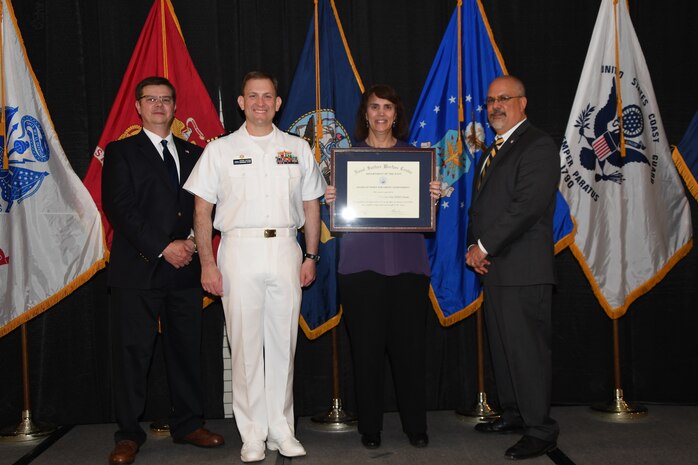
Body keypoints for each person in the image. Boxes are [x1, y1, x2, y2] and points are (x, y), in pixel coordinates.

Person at [183, 71, 325, 463]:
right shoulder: (219, 150)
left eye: (267, 96)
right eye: (252, 96)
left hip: (284, 247)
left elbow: (312, 204)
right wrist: (207, 265)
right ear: (241, 102)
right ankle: (252, 434)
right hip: (237, 249)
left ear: (278, 103)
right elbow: (202, 209)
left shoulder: (297, 148)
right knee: (244, 347)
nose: (260, 102)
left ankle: (282, 429)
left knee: (283, 345)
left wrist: (311, 255)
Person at [102, 76, 224, 465]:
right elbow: (120, 208)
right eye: (151, 99)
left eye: (166, 100)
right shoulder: (120, 152)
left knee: (186, 351)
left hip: (185, 267)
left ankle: (189, 424)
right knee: (133, 355)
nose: (158, 105)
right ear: (137, 107)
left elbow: (209, 206)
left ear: (175, 107)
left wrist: (189, 241)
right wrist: (162, 247)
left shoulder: (195, 153)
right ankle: (127, 433)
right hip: (138, 269)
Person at [325, 85, 441, 450]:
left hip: (409, 267)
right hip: (361, 269)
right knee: (366, 351)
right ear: (365, 113)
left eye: (387, 107)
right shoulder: (345, 160)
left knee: (410, 352)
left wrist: (432, 195)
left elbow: (427, 213)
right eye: (374, 107)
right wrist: (333, 197)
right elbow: (335, 216)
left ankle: (415, 426)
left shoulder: (417, 160)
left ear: (396, 114)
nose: (380, 114)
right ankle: (370, 427)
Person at [465, 75, 560, 460]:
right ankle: (516, 414)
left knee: (527, 352)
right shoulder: (496, 148)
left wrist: (483, 246)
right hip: (497, 268)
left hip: (523, 269)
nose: (494, 106)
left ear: (523, 102)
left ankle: (541, 429)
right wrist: (475, 245)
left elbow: (527, 207)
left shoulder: (537, 145)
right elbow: (482, 208)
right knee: (505, 350)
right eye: (489, 101)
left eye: (503, 99)